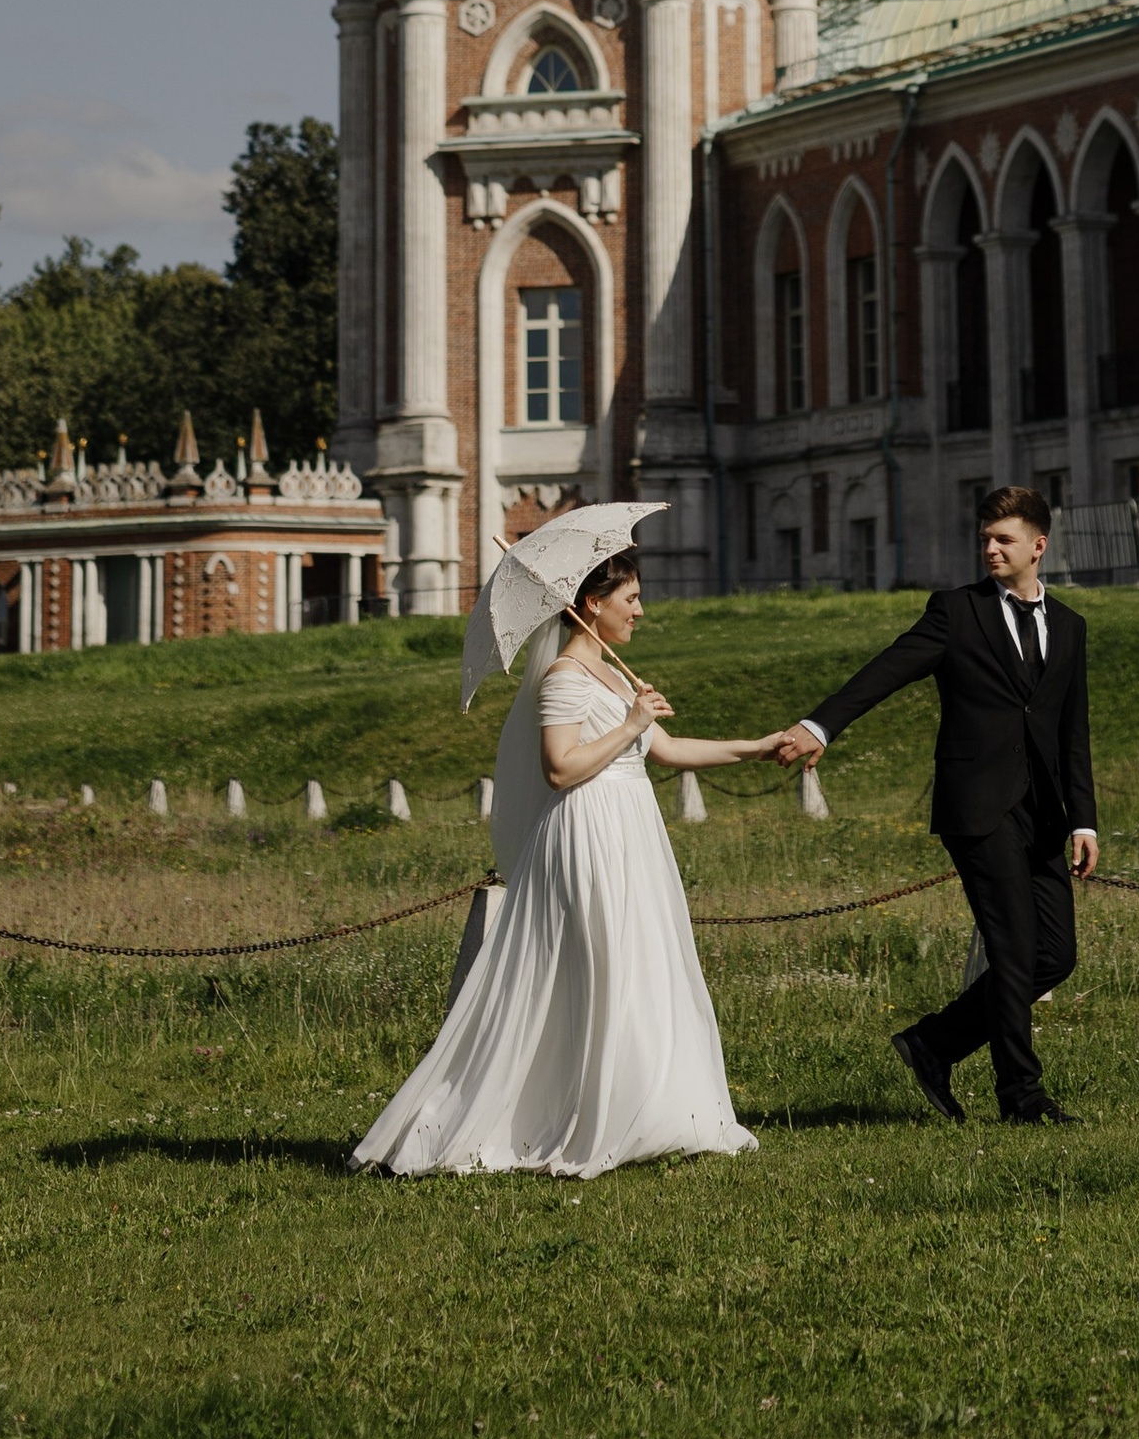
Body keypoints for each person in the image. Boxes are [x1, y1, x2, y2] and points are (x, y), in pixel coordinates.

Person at [353, 545, 777, 1178]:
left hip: (631, 832)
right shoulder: (563, 679)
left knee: (640, 965)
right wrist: (630, 724)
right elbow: (560, 769)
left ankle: (653, 1109)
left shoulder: (612, 672)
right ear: (591, 605)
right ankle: (581, 1118)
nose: (641, 610)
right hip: (586, 834)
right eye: (630, 599)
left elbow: (669, 750)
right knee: (602, 968)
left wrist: (761, 747)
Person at [767, 482, 1096, 1126]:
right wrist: (820, 726)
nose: (991, 550)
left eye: (1004, 539)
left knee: (1055, 955)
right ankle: (1021, 1100)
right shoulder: (956, 611)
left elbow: (1071, 731)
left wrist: (1083, 819)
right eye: (984, 539)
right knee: (1013, 950)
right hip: (978, 808)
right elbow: (886, 670)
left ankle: (934, 1044)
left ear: (1038, 545)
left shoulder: (1071, 627)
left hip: (1044, 815)